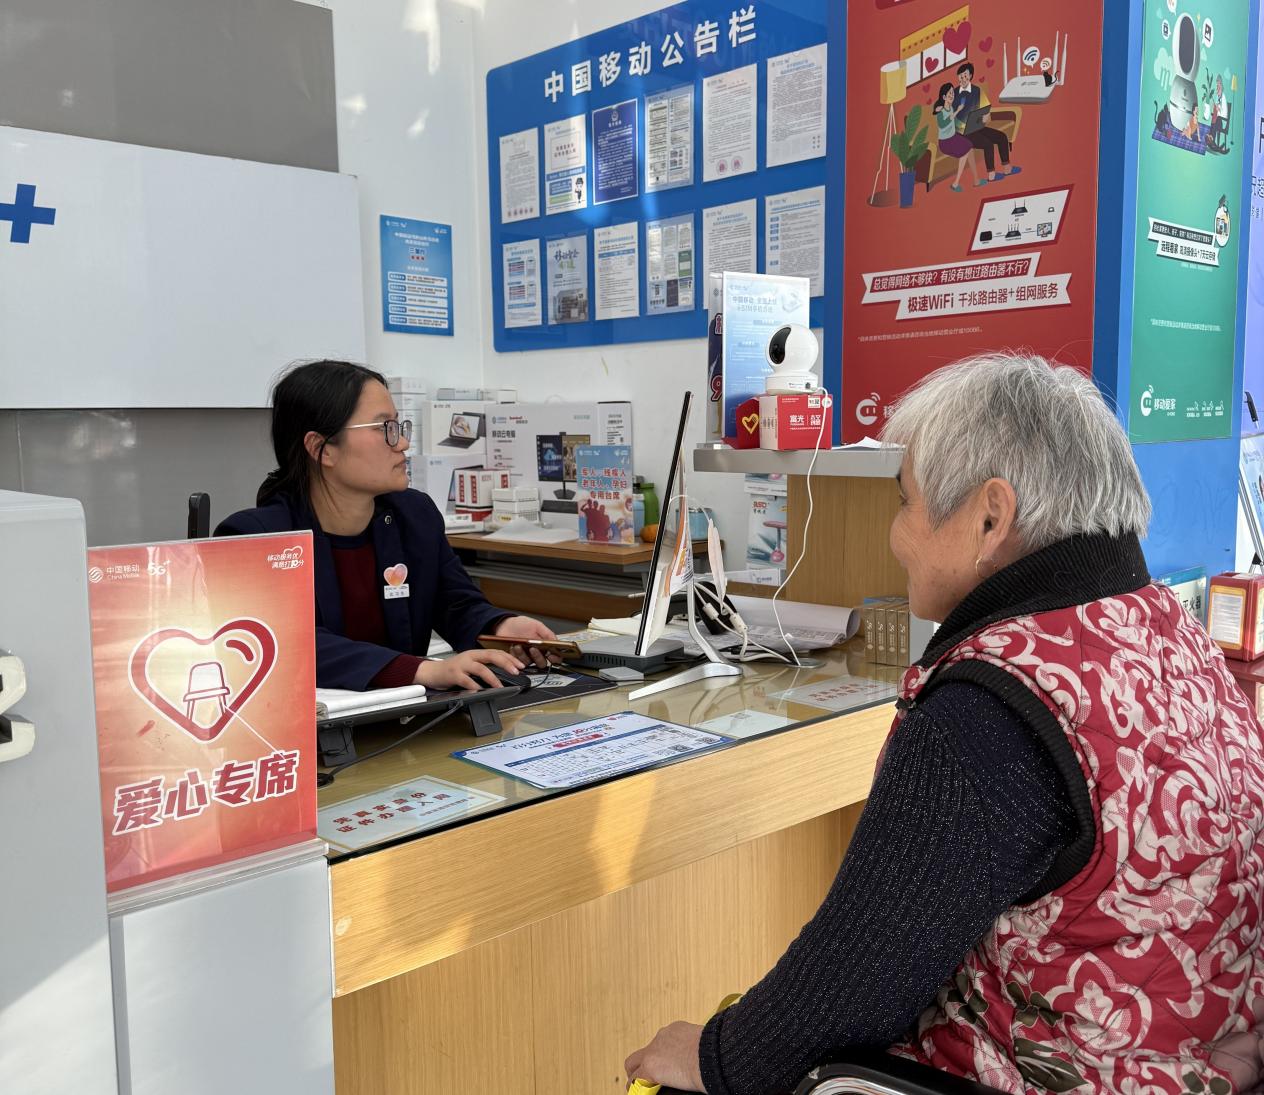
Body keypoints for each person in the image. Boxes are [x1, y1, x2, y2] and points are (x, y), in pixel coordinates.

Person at [625, 353, 1264, 1094]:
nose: (894, 533)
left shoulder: (991, 710)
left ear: (990, 518)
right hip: (1200, 1058)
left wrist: (716, 1057)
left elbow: (850, 986)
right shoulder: (1165, 629)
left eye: (905, 502)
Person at [217, 360, 558, 691]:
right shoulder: (255, 539)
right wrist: (421, 670)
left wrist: (502, 626)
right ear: (322, 449)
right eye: (385, 429)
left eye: (398, 426)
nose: (403, 443)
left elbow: (455, 603)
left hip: (408, 717)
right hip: (314, 726)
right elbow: (289, 642)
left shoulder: (415, 515)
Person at [954, 62, 1020, 182]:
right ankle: (991, 175)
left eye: (965, 75)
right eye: (960, 76)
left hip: (977, 126)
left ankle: (1007, 168)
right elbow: (951, 117)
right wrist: (962, 127)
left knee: (1002, 137)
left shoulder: (977, 90)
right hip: (962, 132)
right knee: (987, 144)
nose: (962, 78)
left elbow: (986, 107)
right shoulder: (953, 94)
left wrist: (986, 115)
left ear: (971, 76)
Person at [932, 82, 983, 192]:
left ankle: (976, 180)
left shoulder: (950, 108)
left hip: (953, 137)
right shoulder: (940, 111)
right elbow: (943, 124)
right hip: (945, 142)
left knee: (970, 148)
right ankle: (955, 184)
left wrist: (965, 125)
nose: (952, 95)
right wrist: (958, 111)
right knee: (966, 151)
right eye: (950, 93)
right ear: (944, 97)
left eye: (953, 93)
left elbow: (954, 121)